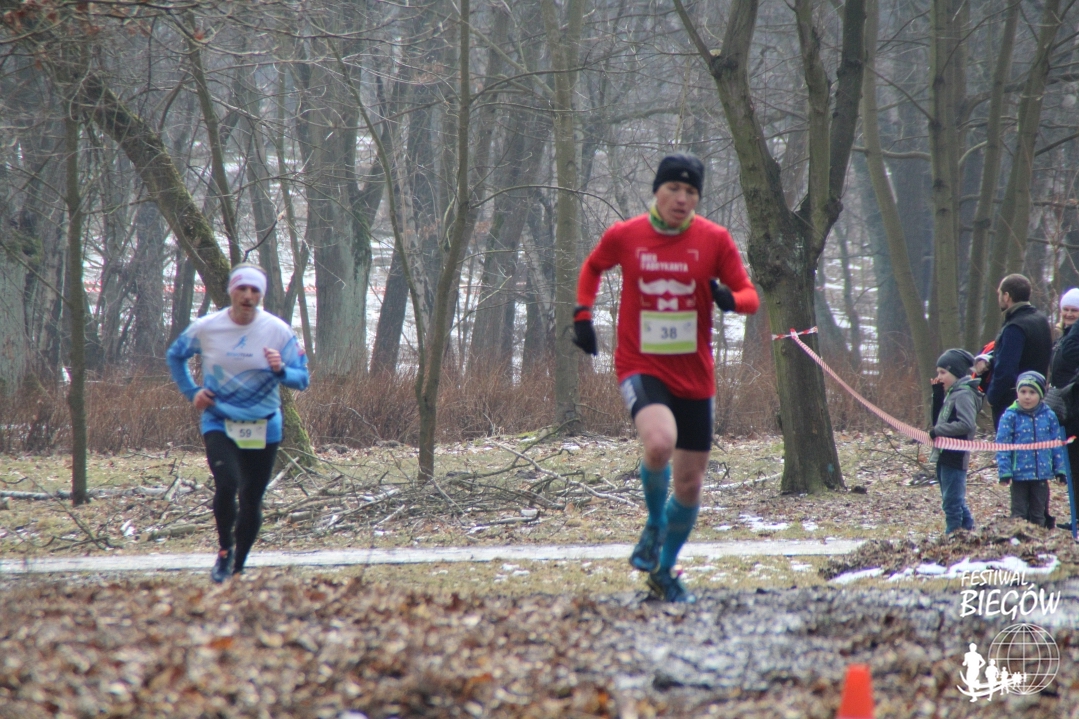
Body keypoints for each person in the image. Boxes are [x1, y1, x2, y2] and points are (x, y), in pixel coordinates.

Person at [572, 153, 759, 602]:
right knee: (659, 443)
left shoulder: (714, 240)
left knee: (690, 485)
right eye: (673, 188)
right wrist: (582, 314)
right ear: (656, 190)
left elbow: (749, 295)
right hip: (641, 364)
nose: (681, 198)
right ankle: (655, 523)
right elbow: (593, 267)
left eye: (691, 191)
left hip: (694, 375)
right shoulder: (626, 235)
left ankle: (663, 569)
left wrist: (728, 299)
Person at [167, 264, 309, 582]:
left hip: (264, 425)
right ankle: (224, 552)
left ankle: (239, 565)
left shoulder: (278, 331)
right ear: (231, 291)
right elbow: (175, 355)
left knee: (251, 499)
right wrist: (192, 391)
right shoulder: (207, 327)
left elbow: (302, 379)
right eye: (241, 289)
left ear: (261, 295)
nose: (247, 296)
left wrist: (281, 370)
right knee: (227, 483)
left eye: (255, 290)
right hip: (219, 420)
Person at [995, 371, 1067, 527]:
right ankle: (1019, 538)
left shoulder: (1049, 416)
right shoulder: (1010, 416)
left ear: (1040, 394)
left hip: (1041, 475)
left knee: (1038, 513)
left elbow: (1056, 445)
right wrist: (1005, 472)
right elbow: (1003, 446)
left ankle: (1039, 538)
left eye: (1032, 392)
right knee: (1019, 513)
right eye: (1023, 392)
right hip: (1018, 475)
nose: (1027, 397)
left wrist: (1060, 470)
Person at [986, 274, 1052, 429]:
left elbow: (1006, 369)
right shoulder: (1041, 319)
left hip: (1012, 402)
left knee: (1009, 443)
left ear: (1007, 296)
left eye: (999, 293)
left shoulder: (1014, 327)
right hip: (1038, 396)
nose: (999, 298)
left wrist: (992, 397)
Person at [929, 349, 982, 534]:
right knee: (953, 500)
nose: (939, 377)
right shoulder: (952, 393)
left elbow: (966, 424)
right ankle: (969, 532)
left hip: (955, 456)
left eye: (943, 372)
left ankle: (953, 535)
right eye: (938, 372)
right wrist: (937, 395)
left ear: (957, 373)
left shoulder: (963, 394)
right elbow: (937, 423)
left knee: (952, 503)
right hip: (943, 454)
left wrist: (938, 431)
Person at [1047, 287, 1079, 531]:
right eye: (1065, 310)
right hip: (1066, 408)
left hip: (1075, 407)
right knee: (1073, 466)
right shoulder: (1064, 337)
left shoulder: (1072, 341)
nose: (1068, 314)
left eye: (1074, 311)